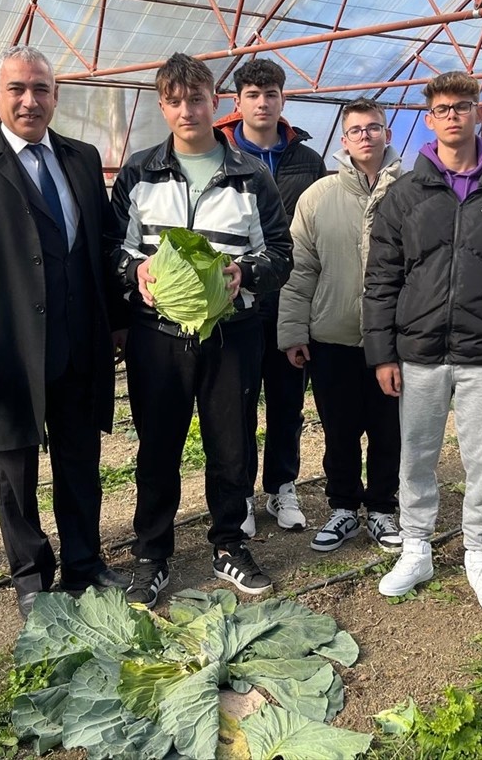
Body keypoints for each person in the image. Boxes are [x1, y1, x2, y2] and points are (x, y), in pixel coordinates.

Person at [0, 46, 128, 620]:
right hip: (8, 349)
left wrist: (116, 324)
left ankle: (85, 563)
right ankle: (30, 575)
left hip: (79, 342)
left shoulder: (81, 158)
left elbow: (99, 248)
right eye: (17, 88)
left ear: (55, 96)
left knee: (80, 460)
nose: (29, 100)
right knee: (13, 467)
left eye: (41, 89)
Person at [363, 72, 482, 613]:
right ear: (429, 120)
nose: (452, 115)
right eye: (442, 109)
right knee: (416, 457)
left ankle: (480, 554)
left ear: (479, 113)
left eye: (462, 106)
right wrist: (382, 353)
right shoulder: (405, 195)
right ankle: (416, 548)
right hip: (420, 351)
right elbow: (381, 279)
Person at [111, 53, 293, 608]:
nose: (186, 111)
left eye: (196, 99)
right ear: (161, 106)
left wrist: (246, 274)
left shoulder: (251, 176)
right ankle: (151, 554)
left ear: (216, 103)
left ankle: (229, 544)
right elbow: (112, 248)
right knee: (157, 447)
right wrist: (135, 272)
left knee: (231, 445)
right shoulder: (139, 172)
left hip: (232, 335)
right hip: (157, 336)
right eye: (175, 101)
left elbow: (280, 252)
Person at [278, 98, 404, 554]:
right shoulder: (318, 196)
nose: (365, 136)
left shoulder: (412, 192)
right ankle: (344, 507)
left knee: (389, 431)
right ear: (344, 140)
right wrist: (294, 331)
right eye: (356, 130)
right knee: (340, 430)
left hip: (395, 339)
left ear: (387, 134)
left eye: (373, 127)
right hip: (332, 336)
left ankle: (383, 508)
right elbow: (301, 270)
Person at [214, 58, 326, 536]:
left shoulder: (308, 161)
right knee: (235, 404)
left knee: (287, 401)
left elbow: (318, 231)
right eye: (253, 95)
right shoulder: (219, 154)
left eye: (271, 94)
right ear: (237, 102)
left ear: (283, 99)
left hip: (290, 300)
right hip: (234, 302)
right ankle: (239, 494)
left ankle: (282, 485)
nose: (263, 103)